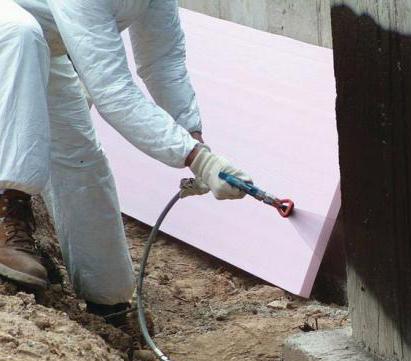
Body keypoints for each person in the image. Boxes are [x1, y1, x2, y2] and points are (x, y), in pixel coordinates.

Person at [0, 0, 252, 323]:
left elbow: (163, 63)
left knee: (81, 163)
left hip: (41, 46)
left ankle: (108, 304)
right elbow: (113, 91)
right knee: (19, 35)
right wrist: (195, 158)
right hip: (13, 38)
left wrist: (194, 138)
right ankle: (7, 212)